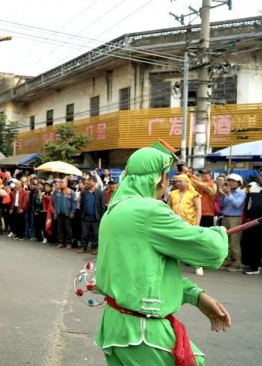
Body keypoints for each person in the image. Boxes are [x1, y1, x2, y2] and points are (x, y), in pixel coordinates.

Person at [95, 144, 231, 366]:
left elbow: (146, 270)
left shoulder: (115, 209)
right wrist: (220, 233)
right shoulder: (149, 209)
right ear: (160, 179)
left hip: (117, 325)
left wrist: (194, 295)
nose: (168, 183)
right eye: (167, 177)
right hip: (142, 331)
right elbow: (212, 250)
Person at [218, 174, 246, 272]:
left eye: (234, 181)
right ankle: (226, 261)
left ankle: (236, 263)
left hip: (235, 218)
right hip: (225, 217)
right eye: (229, 181)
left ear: (239, 183)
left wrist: (229, 194)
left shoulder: (241, 193)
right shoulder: (227, 192)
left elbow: (237, 204)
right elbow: (222, 205)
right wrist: (222, 195)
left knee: (234, 241)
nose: (231, 183)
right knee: (225, 240)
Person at [77, 176, 105, 255]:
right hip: (85, 217)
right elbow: (82, 205)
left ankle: (94, 248)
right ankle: (83, 247)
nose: (88, 182)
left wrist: (101, 217)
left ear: (95, 182)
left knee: (95, 234)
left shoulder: (100, 193)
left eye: (90, 181)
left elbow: (102, 206)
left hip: (95, 217)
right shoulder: (84, 193)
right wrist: (82, 215)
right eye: (88, 181)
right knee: (84, 233)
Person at [52, 178, 76, 248]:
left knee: (68, 229)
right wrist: (55, 212)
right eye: (61, 182)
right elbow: (55, 203)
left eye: (62, 182)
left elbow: (74, 203)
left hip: (67, 213)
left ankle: (69, 243)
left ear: (67, 183)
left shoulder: (71, 192)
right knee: (60, 229)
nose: (61, 183)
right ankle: (61, 242)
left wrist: (72, 212)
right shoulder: (58, 192)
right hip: (59, 213)